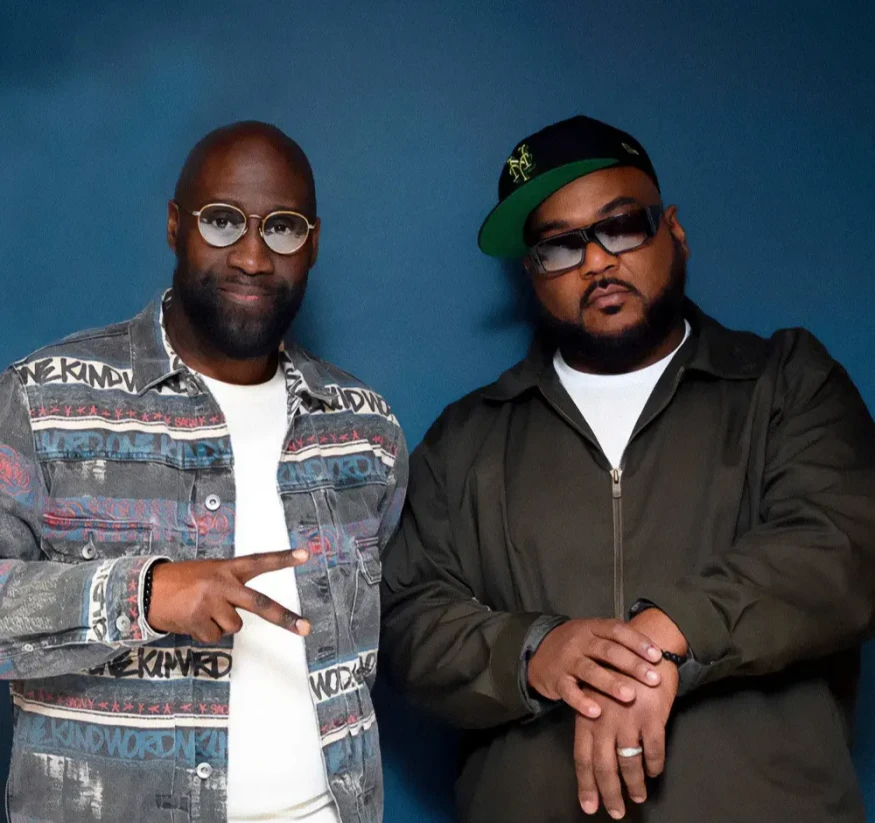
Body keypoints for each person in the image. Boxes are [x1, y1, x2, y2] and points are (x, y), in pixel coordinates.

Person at [380, 114, 875, 822]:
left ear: (673, 230)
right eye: (560, 246)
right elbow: (404, 617)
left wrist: (667, 632)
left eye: (621, 227)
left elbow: (842, 544)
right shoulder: (468, 437)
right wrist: (536, 650)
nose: (595, 262)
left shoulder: (785, 384)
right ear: (532, 274)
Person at [0, 121, 406, 823]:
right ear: (174, 226)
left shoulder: (365, 430)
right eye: (222, 221)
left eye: (282, 228)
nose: (252, 256)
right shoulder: (44, 401)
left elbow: (405, 621)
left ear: (312, 244)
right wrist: (141, 593)